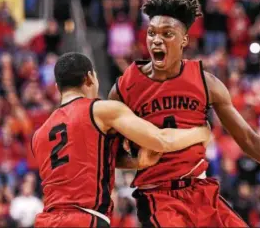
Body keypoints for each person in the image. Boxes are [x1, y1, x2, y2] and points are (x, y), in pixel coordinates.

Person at [108, 0, 260, 227]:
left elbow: (247, 138)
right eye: (151, 33)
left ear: (184, 40)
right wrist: (138, 161)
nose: (156, 40)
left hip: (200, 190)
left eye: (167, 34)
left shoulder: (205, 82)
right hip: (158, 196)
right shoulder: (124, 87)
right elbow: (110, 155)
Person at [32, 52, 211, 227]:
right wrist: (201, 133)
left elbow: (86, 162)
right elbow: (161, 139)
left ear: (57, 87)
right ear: (89, 78)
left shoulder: (39, 135)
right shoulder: (101, 110)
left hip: (46, 220)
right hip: (86, 218)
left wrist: (135, 162)